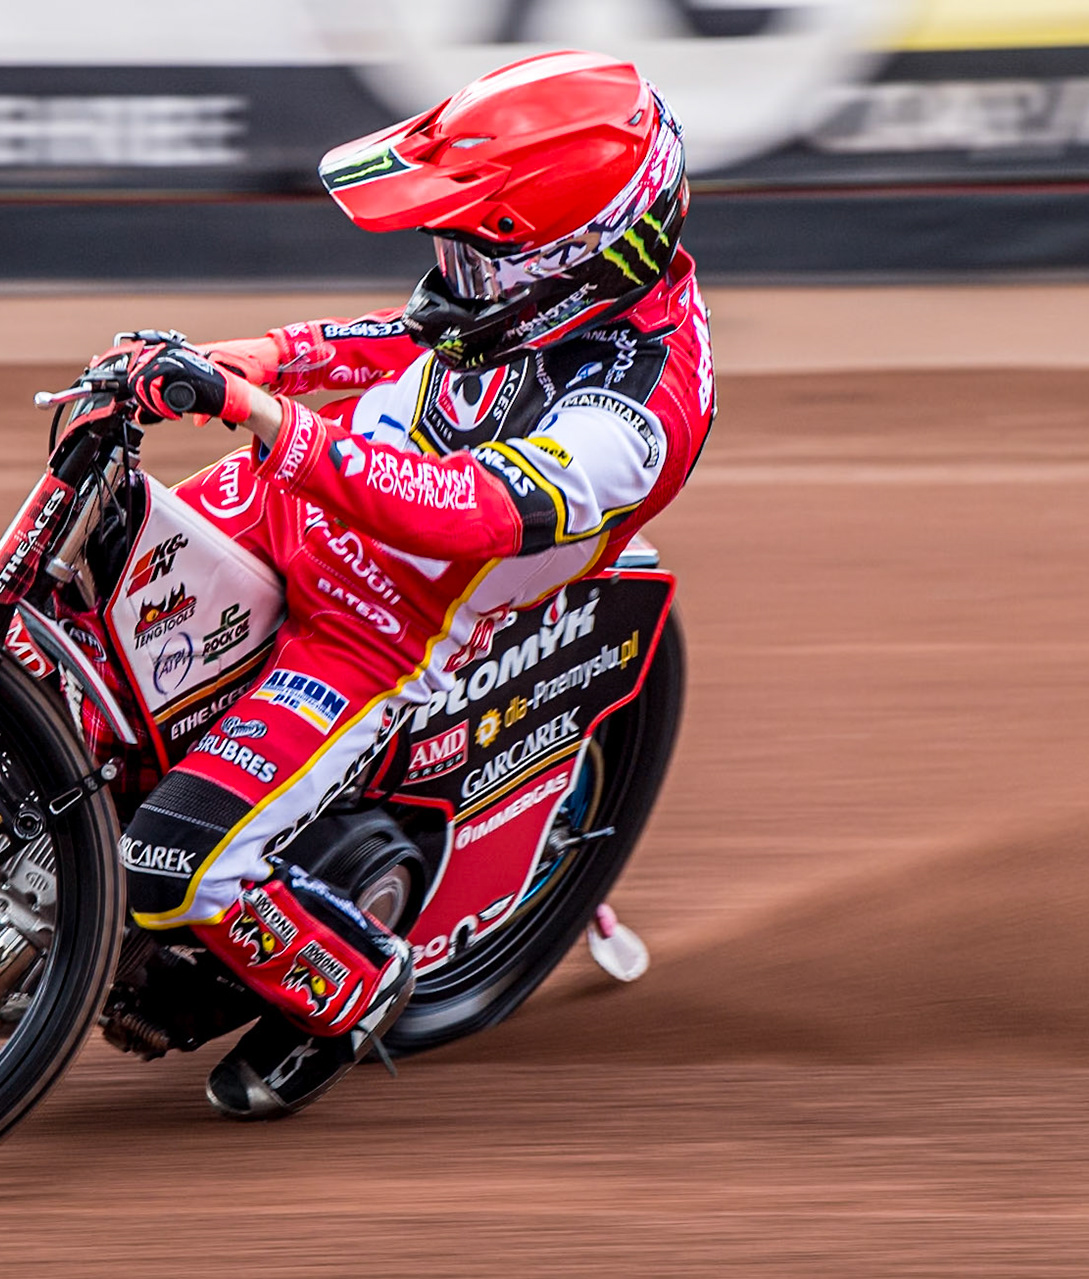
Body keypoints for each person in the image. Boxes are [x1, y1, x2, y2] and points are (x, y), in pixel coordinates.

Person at [108, 49, 715, 1118]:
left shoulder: (637, 413)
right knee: (84, 598)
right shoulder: (544, 290)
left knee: (169, 863)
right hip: (281, 504)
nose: (451, 271)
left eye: (476, 254)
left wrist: (262, 417)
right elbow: (411, 338)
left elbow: (465, 510)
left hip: (376, 633)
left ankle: (347, 990)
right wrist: (248, 360)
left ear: (579, 259)